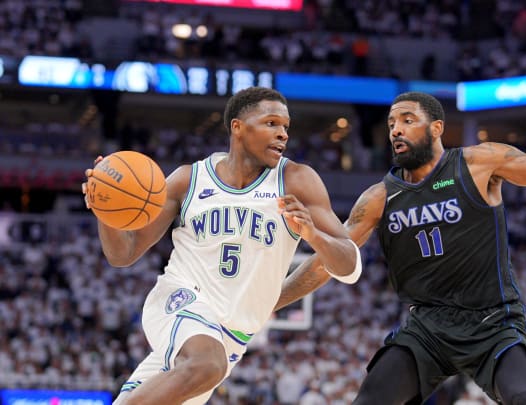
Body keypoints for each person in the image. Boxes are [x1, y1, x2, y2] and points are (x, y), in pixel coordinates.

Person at [274, 92, 526, 405]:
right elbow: (330, 262)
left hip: (493, 322)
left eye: (407, 120)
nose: (395, 129)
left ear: (436, 128)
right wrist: (272, 300)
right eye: (390, 122)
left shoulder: (479, 162)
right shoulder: (378, 197)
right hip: (428, 329)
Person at [81, 87, 362, 405]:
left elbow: (350, 265)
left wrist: (313, 236)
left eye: (285, 127)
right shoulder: (190, 180)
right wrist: (105, 209)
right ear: (238, 127)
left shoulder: (297, 180)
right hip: (180, 301)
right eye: (271, 123)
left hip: (232, 337)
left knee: (201, 368)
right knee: (206, 364)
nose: (282, 134)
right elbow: (123, 254)